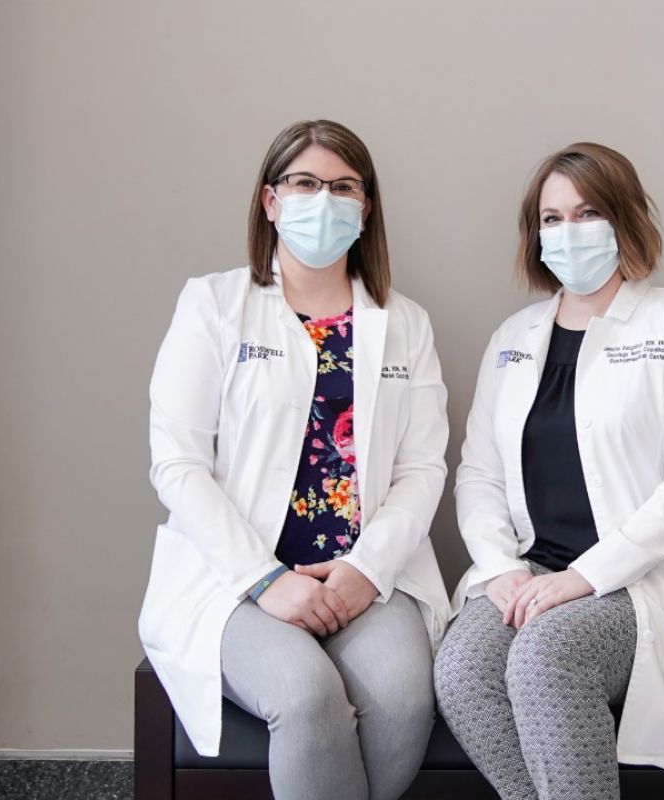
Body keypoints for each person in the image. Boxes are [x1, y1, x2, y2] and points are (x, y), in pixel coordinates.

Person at [138, 119, 450, 800]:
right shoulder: (214, 305)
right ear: (270, 201)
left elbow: (423, 469)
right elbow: (178, 463)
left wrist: (365, 571)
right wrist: (264, 579)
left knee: (403, 699)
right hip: (238, 581)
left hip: (365, 576)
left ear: (365, 210)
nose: (324, 200)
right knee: (307, 699)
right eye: (304, 183)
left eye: (343, 187)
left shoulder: (405, 323)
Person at [434, 142, 664, 799]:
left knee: (546, 658)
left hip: (643, 580)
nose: (567, 232)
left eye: (586, 213)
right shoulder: (513, 339)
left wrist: (586, 577)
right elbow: (478, 475)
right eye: (550, 219)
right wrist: (501, 570)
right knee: (463, 672)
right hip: (532, 573)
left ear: (624, 220)